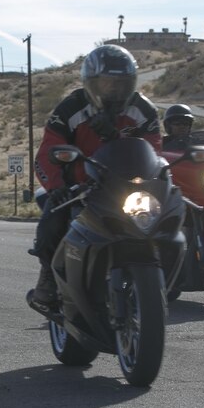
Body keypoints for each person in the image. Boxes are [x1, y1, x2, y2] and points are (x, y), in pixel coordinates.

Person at [28, 44, 162, 314]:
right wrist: (57, 187)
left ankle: (162, 272)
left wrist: (159, 174)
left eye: (121, 84)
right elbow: (45, 154)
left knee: (170, 211)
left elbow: (155, 151)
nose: (114, 90)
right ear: (91, 83)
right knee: (52, 222)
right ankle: (49, 279)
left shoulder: (143, 110)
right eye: (107, 83)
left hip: (128, 185)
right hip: (81, 188)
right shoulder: (71, 108)